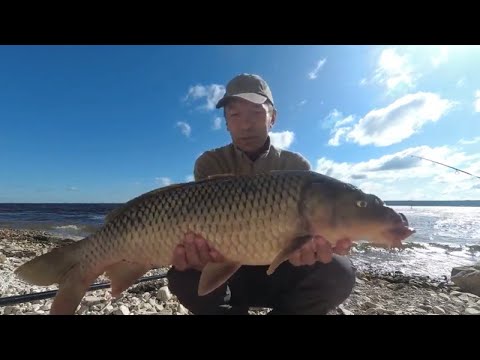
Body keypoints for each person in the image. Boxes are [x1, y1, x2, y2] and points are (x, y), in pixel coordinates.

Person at [166, 73, 356, 315]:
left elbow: (312, 233)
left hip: (281, 268)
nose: (246, 124)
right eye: (235, 115)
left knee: (339, 272)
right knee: (182, 275)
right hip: (230, 273)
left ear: (272, 118)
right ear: (226, 123)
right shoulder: (210, 162)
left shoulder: (295, 166)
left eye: (256, 113)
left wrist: (318, 245)